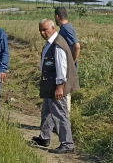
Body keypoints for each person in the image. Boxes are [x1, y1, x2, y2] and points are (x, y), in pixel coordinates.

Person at [32, 19, 79, 154]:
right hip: (49, 83)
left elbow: (61, 68)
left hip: (56, 84)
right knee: (46, 111)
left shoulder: (57, 44)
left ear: (53, 28)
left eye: (45, 30)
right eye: (40, 30)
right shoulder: (51, 43)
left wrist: (60, 86)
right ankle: (44, 137)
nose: (42, 33)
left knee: (60, 114)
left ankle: (67, 144)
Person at [54, 6, 80, 113]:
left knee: (65, 94)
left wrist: (72, 62)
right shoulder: (65, 28)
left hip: (67, 68)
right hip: (65, 66)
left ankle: (64, 122)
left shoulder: (66, 29)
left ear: (57, 17)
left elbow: (77, 46)